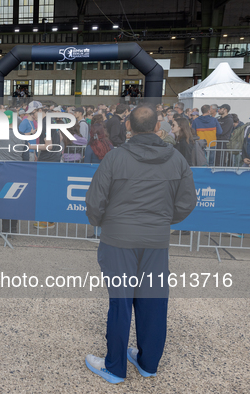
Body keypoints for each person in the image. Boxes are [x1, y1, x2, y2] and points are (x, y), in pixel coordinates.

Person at [84, 105, 196, 384]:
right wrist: (161, 221)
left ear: (129, 128)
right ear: (158, 127)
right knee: (154, 302)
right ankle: (148, 363)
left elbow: (95, 200)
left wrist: (102, 222)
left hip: (119, 239)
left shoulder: (115, 158)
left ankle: (115, 368)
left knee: (120, 303)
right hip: (155, 240)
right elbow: (187, 202)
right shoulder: (176, 159)